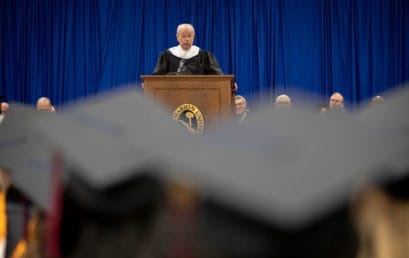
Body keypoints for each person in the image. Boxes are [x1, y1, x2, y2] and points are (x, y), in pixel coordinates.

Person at [153, 23, 223, 75]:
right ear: (177, 37)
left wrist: (230, 84)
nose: (187, 39)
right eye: (183, 36)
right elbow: (157, 77)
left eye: (190, 36)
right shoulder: (167, 55)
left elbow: (217, 76)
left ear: (194, 37)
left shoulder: (204, 55)